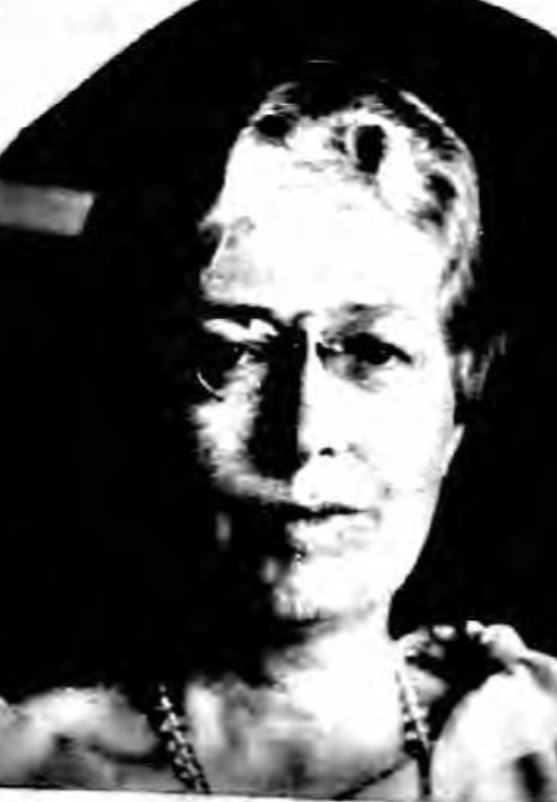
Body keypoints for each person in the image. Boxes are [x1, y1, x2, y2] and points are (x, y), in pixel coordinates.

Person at [2, 65, 557, 801]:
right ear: (153, 397)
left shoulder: (534, 743)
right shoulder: (27, 768)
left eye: (372, 352)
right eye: (232, 354)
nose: (300, 435)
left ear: (458, 401)